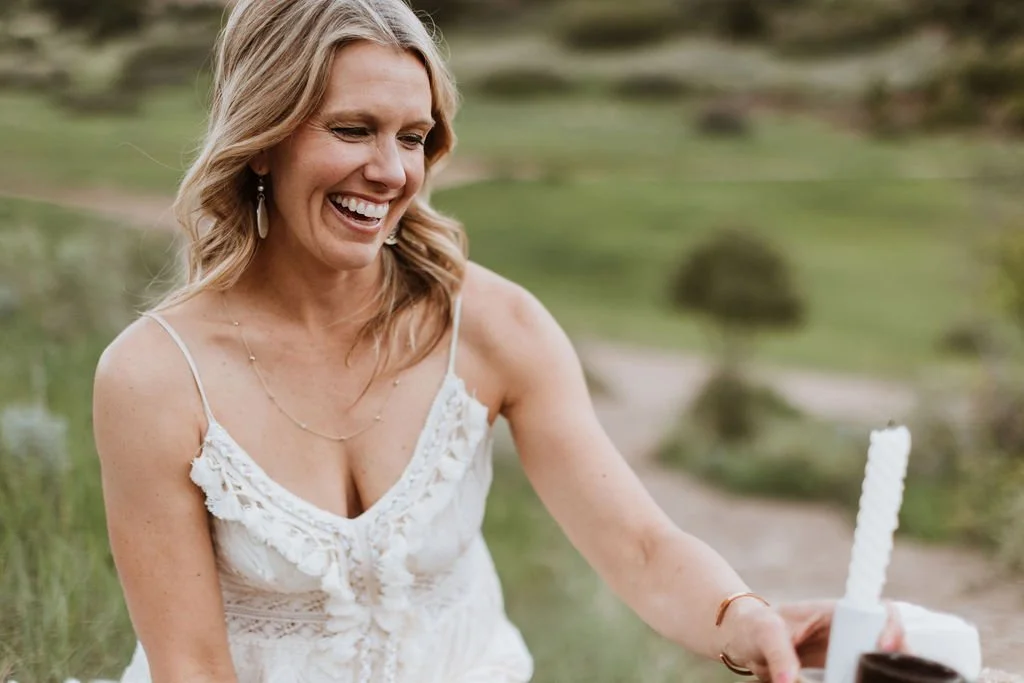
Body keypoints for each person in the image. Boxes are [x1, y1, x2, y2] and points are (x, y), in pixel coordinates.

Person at [91, 1, 904, 682]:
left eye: (413, 137)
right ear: (264, 138)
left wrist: (744, 618)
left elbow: (642, 545)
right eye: (352, 129)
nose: (389, 171)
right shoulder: (155, 377)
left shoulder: (494, 326)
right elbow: (192, 664)